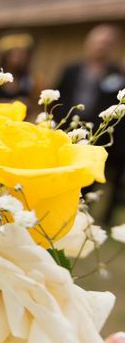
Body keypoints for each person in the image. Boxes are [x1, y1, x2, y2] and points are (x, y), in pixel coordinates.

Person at [55, 24, 125, 224]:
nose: (101, 47)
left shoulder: (118, 74)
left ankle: (81, 218)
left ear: (114, 48)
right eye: (99, 42)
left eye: (107, 44)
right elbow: (58, 98)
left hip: (100, 135)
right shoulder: (72, 69)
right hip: (70, 131)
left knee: (90, 179)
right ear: (89, 43)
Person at [0, 33, 43, 118]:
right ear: (5, 56)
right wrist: (11, 103)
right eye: (14, 54)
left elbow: (34, 106)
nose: (18, 58)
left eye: (22, 54)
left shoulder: (27, 80)